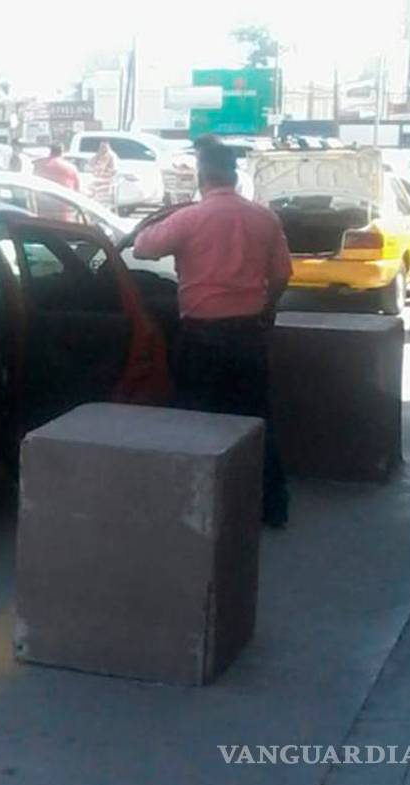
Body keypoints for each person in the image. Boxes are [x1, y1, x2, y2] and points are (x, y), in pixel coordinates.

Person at [133, 137, 292, 528]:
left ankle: (198, 510)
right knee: (257, 420)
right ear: (234, 176)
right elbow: (283, 275)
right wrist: (266, 311)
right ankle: (272, 507)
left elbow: (141, 249)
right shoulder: (264, 218)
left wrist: (157, 219)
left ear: (202, 177)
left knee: (196, 421)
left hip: (201, 338)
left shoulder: (189, 219)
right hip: (249, 336)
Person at [88, 141, 119, 210]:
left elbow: (114, 170)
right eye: (101, 147)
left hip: (107, 182)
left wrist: (106, 173)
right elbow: (91, 165)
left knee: (104, 200)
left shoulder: (112, 156)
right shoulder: (98, 155)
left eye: (104, 147)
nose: (102, 149)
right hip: (97, 181)